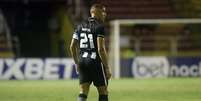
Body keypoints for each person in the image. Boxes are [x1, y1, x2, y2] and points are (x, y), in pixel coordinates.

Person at [70, 4, 111, 101]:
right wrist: (107, 68)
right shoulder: (99, 27)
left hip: (82, 61)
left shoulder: (79, 26)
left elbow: (72, 46)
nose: (105, 14)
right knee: (103, 91)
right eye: (103, 11)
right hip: (95, 62)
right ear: (96, 12)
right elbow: (101, 50)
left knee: (83, 91)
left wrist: (76, 63)